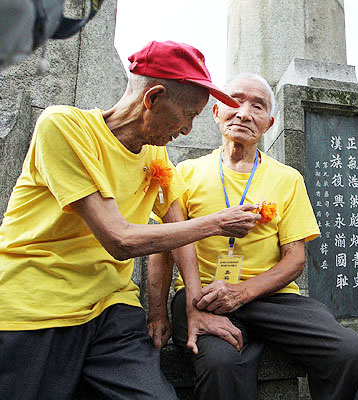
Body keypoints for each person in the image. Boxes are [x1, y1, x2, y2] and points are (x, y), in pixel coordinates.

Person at [0, 41, 262, 400]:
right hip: (37, 303)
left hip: (111, 308)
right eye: (186, 115)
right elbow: (119, 239)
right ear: (152, 98)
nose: (186, 130)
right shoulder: (62, 127)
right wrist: (217, 223)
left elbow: (176, 220)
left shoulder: (155, 150)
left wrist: (180, 307)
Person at [147, 72, 358, 400]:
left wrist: (243, 292)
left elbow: (295, 258)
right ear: (215, 111)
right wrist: (157, 313)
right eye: (235, 100)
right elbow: (163, 247)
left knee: (351, 352)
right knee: (221, 366)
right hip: (204, 297)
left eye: (257, 106)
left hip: (273, 298)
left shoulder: (287, 179)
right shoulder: (186, 174)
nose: (243, 112)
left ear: (268, 124)